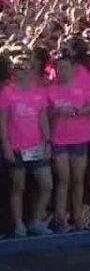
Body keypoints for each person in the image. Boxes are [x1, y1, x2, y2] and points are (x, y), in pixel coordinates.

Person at [1, 54, 52, 237]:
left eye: (28, 68)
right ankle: (19, 223)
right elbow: (3, 122)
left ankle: (35, 221)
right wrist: (6, 146)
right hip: (16, 147)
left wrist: (47, 142)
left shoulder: (39, 92)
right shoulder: (7, 92)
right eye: (20, 68)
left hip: (36, 147)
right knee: (18, 187)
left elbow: (43, 118)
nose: (25, 72)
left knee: (46, 184)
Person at [46, 51, 90, 231]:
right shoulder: (50, 89)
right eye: (59, 68)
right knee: (63, 179)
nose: (62, 71)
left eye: (65, 68)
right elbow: (45, 114)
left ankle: (77, 216)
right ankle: (60, 218)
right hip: (59, 139)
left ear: (73, 69)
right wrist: (57, 112)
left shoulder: (83, 86)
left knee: (78, 179)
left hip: (80, 138)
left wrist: (76, 111)